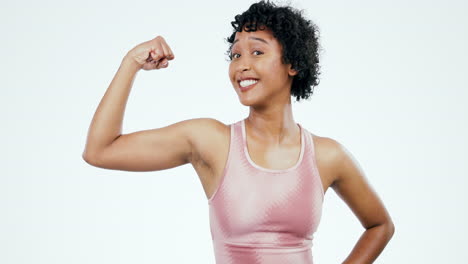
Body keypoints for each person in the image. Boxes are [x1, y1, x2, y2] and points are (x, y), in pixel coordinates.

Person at [82, 0, 394, 263]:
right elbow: (100, 151)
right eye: (235, 55)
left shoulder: (327, 155)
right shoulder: (212, 141)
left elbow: (380, 226)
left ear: (293, 64)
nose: (241, 65)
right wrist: (130, 63)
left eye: (257, 52)